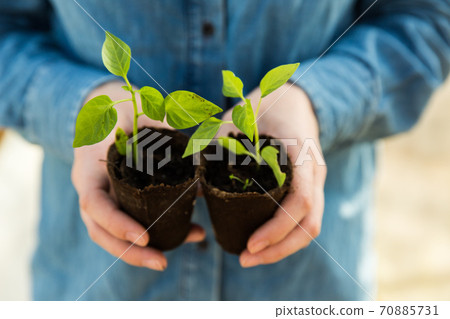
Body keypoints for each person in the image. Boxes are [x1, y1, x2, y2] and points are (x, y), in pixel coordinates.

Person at [0, 0, 448, 301]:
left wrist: (312, 98)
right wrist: (79, 102)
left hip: (308, 286)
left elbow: (426, 19)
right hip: (96, 286)